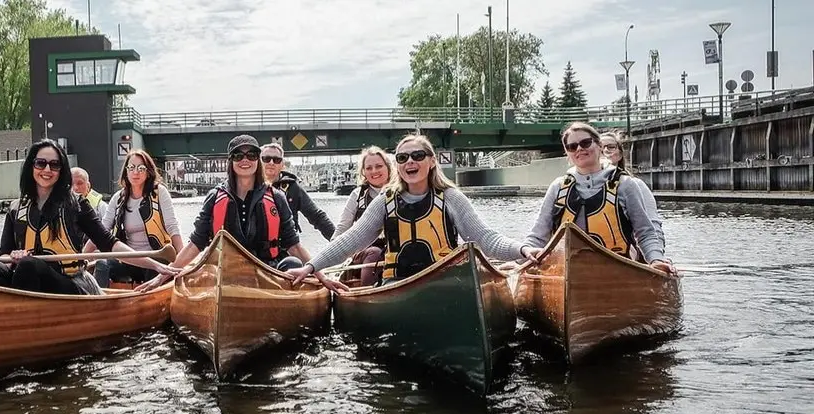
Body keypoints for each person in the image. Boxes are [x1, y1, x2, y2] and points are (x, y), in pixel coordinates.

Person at [286, 134, 537, 292]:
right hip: (398, 285)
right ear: (398, 165)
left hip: (444, 282)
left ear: (432, 161)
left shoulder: (450, 197)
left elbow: (485, 238)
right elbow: (349, 241)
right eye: (403, 157)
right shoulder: (386, 201)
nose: (410, 162)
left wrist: (523, 250)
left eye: (417, 156)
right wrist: (310, 267)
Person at [0, 139, 178, 295]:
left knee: (29, 265)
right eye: (41, 163)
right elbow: (2, 256)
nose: (47, 170)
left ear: (61, 171)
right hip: (27, 281)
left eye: (54, 165)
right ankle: (8, 322)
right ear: (31, 167)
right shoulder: (16, 208)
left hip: (69, 284)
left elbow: (109, 243)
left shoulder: (76, 204)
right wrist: (12, 257)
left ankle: (27, 326)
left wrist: (155, 264)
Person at [135, 135, 312, 291]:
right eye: (238, 155)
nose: (245, 160)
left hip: (267, 269)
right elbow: (196, 243)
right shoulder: (215, 197)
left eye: (251, 155)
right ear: (230, 161)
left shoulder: (276, 197)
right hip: (225, 271)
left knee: (292, 264)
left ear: (257, 160)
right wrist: (163, 276)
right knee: (199, 273)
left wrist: (318, 271)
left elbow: (294, 246)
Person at [523, 122, 674, 274]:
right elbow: (538, 236)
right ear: (567, 153)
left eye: (586, 143)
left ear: (599, 146)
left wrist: (656, 260)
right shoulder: (557, 187)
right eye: (572, 146)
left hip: (618, 271)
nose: (579, 149)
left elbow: (645, 232)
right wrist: (521, 259)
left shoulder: (626, 185)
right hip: (564, 272)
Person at [83, 149, 184, 287]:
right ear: (126, 171)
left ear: (148, 172)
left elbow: (172, 227)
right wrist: (81, 257)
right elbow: (101, 231)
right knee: (102, 263)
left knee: (157, 266)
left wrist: (182, 258)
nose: (135, 172)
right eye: (131, 167)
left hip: (156, 258)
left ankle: (148, 301)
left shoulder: (160, 193)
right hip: (129, 261)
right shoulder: (118, 198)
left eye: (141, 168)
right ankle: (100, 302)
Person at [331, 145, 394, 287]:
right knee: (374, 253)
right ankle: (367, 293)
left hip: (395, 248)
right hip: (366, 250)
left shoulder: (400, 191)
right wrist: (331, 253)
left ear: (388, 168)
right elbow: (343, 226)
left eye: (379, 166)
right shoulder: (357, 195)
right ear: (363, 172)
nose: (374, 171)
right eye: (369, 168)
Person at [260, 143, 336, 241]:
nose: (271, 163)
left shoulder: (292, 188)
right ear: (259, 162)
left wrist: (338, 242)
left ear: (282, 165)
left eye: (276, 160)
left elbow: (317, 217)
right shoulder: (250, 186)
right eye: (266, 159)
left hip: (287, 247)